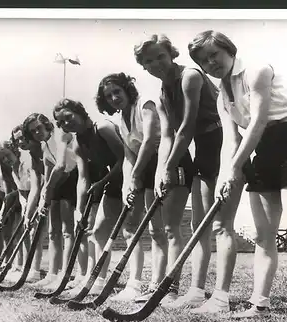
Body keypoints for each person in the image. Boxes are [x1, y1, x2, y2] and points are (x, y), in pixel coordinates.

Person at [187, 30, 287, 322]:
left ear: (229, 50)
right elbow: (231, 138)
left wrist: (236, 166)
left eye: (214, 55)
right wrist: (228, 172)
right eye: (203, 61)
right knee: (264, 235)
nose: (211, 63)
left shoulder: (257, 70)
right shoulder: (222, 92)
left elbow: (259, 121)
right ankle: (258, 304)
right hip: (261, 149)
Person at [134, 33, 228, 305]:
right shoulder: (163, 91)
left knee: (204, 222)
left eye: (160, 56)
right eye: (148, 61)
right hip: (195, 147)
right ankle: (175, 290)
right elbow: (167, 136)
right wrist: (162, 170)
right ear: (143, 66)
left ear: (172, 54)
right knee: (191, 223)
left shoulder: (190, 77)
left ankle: (198, 292)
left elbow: (186, 129)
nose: (156, 64)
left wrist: (169, 167)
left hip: (215, 142)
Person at [94, 72, 167, 301]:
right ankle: (134, 285)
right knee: (131, 227)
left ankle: (160, 286)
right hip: (142, 169)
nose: (114, 98)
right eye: (109, 96)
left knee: (158, 230)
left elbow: (149, 139)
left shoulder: (144, 104)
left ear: (127, 89)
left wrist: (135, 175)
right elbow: (128, 155)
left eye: (117, 91)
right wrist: (127, 183)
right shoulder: (120, 120)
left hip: (161, 163)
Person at [52, 98, 127, 297]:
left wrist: (103, 181)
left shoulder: (102, 127)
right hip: (109, 182)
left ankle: (103, 281)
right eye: (62, 122)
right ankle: (93, 279)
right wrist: (79, 209)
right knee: (96, 233)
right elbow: (83, 179)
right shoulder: (78, 144)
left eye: (69, 117)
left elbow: (125, 158)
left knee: (109, 232)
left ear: (80, 111)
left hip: (128, 178)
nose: (67, 123)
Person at [22, 113, 85, 290]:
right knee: (53, 231)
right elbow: (48, 173)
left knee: (67, 231)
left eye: (38, 128)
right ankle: (53, 273)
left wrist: (49, 189)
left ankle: (66, 273)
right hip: (57, 182)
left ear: (47, 125)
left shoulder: (59, 135)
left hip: (72, 178)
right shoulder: (44, 148)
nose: (37, 133)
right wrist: (44, 198)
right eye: (33, 132)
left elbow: (62, 165)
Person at [10, 124, 44, 282]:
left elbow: (37, 186)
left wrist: (31, 209)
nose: (20, 143)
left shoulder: (29, 157)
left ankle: (35, 270)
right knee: (26, 233)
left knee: (34, 233)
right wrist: (25, 207)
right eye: (17, 141)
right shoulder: (14, 165)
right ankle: (26, 267)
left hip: (40, 196)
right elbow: (21, 189)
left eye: (23, 138)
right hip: (27, 198)